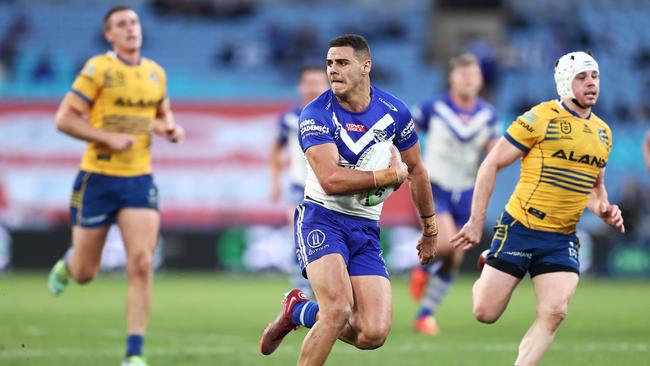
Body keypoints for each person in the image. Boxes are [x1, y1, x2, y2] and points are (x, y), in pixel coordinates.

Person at [259, 34, 438, 365]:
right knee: (338, 310)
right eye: (329, 63)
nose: (332, 70)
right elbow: (330, 180)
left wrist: (429, 229)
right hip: (321, 217)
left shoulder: (395, 112)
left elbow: (417, 170)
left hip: (366, 226)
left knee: (373, 334)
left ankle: (298, 310)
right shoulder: (315, 113)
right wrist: (384, 177)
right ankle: (312, 311)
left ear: (365, 66)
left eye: (341, 63)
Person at [451, 51, 625, 366]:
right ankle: (490, 258)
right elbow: (490, 164)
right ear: (565, 82)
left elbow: (595, 187)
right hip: (521, 227)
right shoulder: (539, 118)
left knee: (555, 311)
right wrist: (477, 222)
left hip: (561, 238)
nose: (591, 84)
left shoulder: (603, 133)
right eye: (582, 77)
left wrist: (604, 208)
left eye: (595, 77)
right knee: (485, 313)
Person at [46, 6, 184, 366]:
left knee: (141, 263)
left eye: (134, 23)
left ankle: (134, 354)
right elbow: (64, 119)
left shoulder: (155, 73)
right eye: (121, 24)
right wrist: (107, 137)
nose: (130, 29)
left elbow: (161, 113)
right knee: (86, 273)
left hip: (139, 179)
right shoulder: (98, 69)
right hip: (98, 178)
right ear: (109, 35)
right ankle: (69, 263)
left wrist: (170, 127)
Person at [409, 52, 499, 335]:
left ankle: (425, 314)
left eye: (473, 75)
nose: (469, 80)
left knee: (454, 258)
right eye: (463, 74)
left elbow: (495, 151)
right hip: (436, 186)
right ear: (452, 78)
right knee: (446, 244)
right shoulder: (434, 107)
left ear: (481, 80)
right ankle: (422, 270)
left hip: (467, 191)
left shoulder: (487, 115)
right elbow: (405, 132)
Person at [269, 66, 329, 297]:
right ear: (300, 86)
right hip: (299, 187)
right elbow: (276, 148)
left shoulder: (334, 114)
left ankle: (327, 290)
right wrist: (274, 181)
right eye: (309, 82)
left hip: (328, 187)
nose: (313, 87)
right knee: (299, 236)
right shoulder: (290, 118)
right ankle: (301, 293)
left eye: (318, 82)